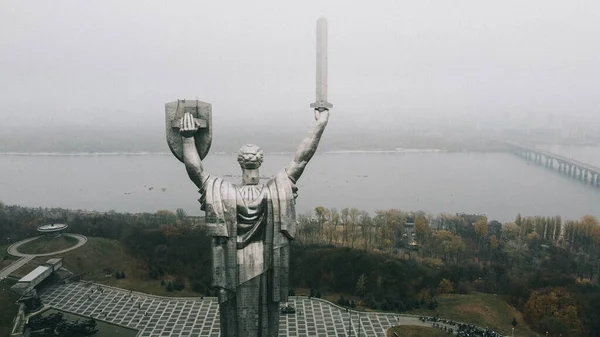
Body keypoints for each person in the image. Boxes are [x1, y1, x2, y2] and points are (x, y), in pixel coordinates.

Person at [180, 108, 330, 336]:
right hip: (266, 263)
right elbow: (302, 158)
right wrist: (320, 124)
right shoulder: (274, 191)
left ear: (241, 164)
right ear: (260, 162)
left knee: (233, 321)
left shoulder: (224, 193)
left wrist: (188, 139)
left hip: (234, 267)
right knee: (265, 321)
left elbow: (196, 171)